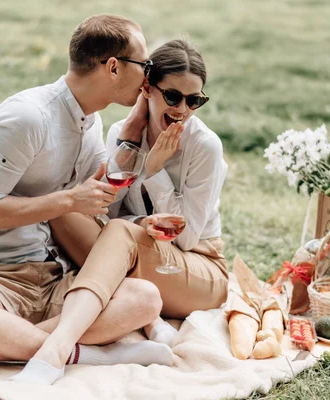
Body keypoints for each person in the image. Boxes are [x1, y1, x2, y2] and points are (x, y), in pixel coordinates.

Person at [0, 14, 174, 386]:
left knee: (145, 298)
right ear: (112, 67)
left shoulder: (91, 122)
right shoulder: (26, 119)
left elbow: (94, 205)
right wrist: (66, 201)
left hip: (56, 275)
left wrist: (136, 211)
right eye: (143, 64)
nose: (148, 75)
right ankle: (88, 354)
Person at [50, 39, 229, 344]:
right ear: (147, 89)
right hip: (140, 252)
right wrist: (129, 146)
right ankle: (150, 319)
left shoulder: (204, 146)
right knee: (61, 211)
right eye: (173, 97)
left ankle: (49, 340)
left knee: (118, 234)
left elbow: (186, 238)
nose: (183, 110)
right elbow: (110, 211)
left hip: (198, 266)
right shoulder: (122, 132)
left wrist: (155, 171)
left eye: (194, 100)